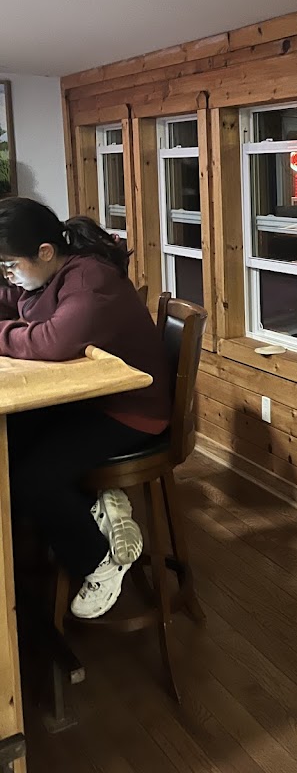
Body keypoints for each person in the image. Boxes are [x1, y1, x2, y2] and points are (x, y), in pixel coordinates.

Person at [0, 198, 171, 619]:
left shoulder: (89, 279)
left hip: (131, 409)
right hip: (91, 398)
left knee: (29, 480)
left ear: (44, 252)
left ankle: (99, 561)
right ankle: (97, 508)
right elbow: (17, 298)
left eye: (10, 265)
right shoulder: (54, 272)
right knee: (11, 440)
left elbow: (52, 341)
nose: (8, 274)